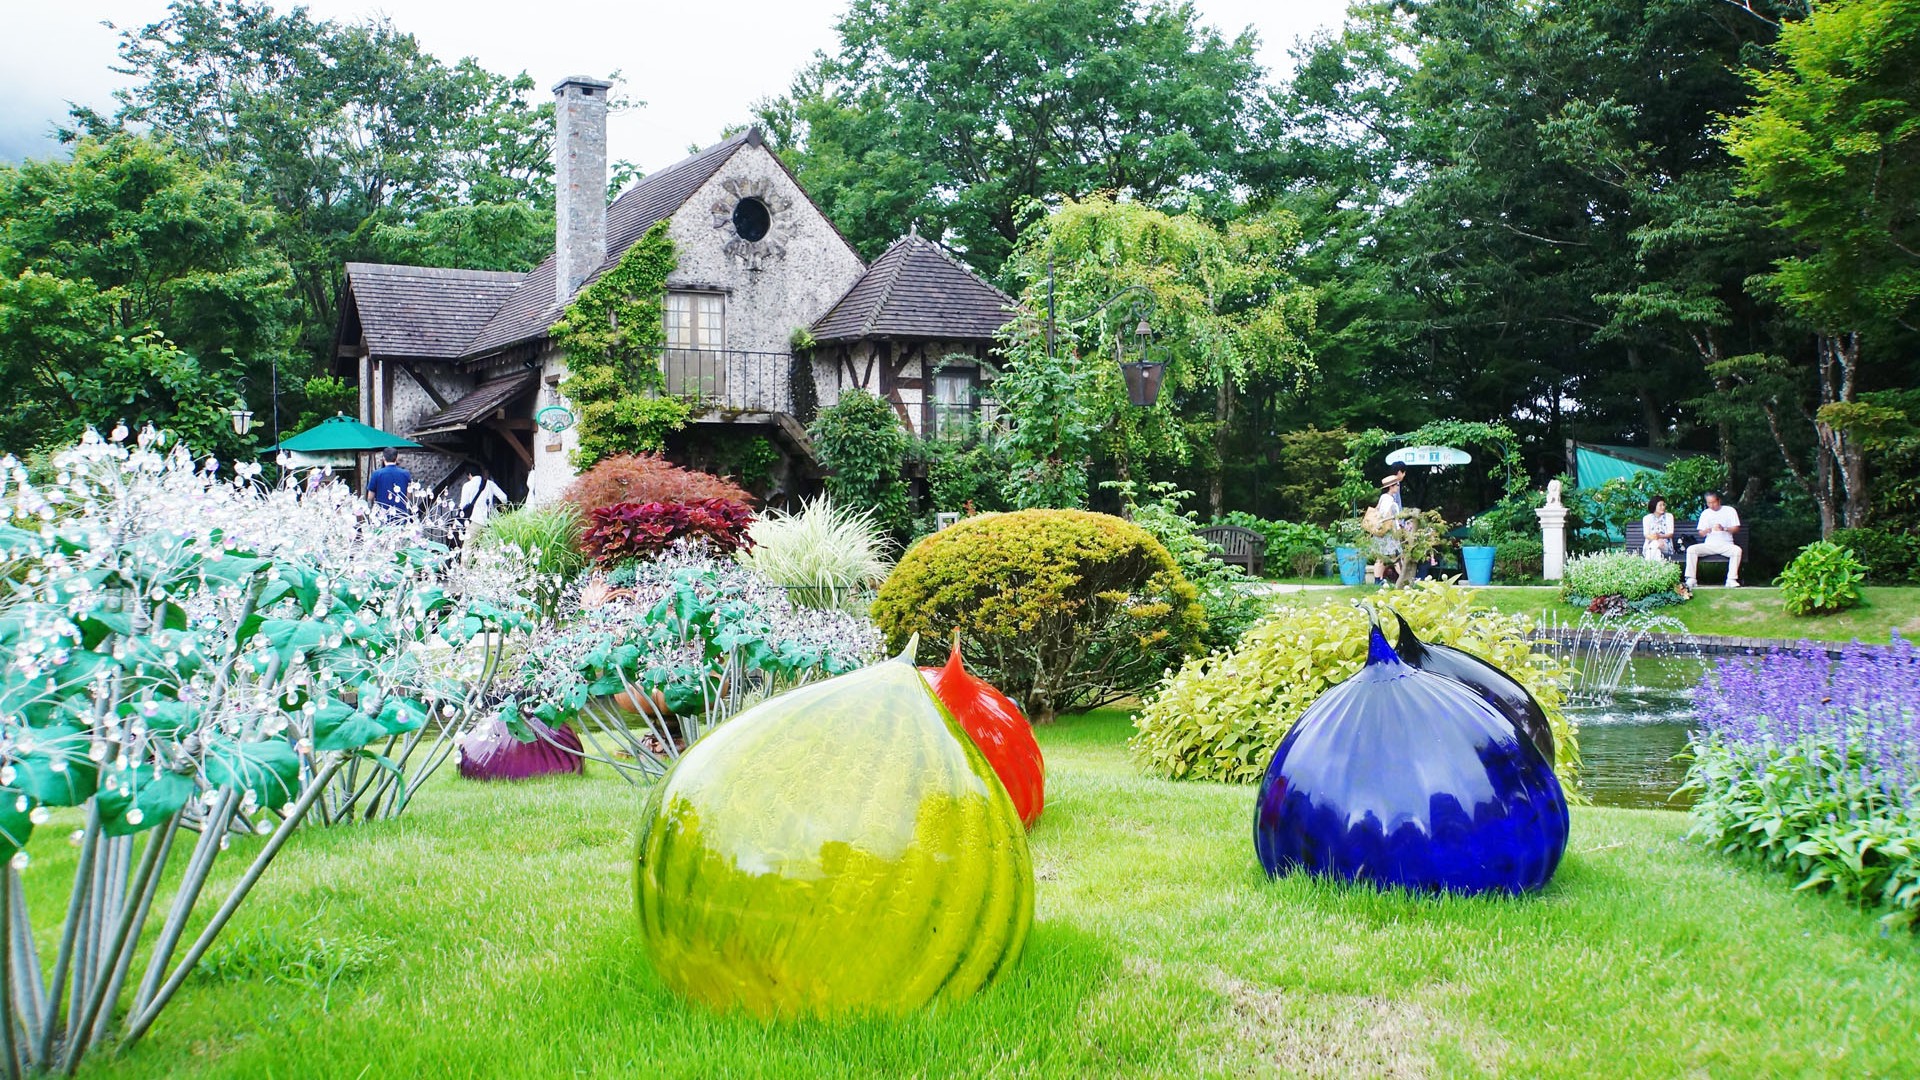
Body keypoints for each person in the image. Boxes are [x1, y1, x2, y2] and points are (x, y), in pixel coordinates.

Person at [1685, 491, 1742, 589]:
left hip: (1726, 544)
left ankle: (1731, 579)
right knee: (1691, 549)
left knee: (1737, 550)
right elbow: (1701, 533)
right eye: (1708, 503)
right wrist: (1707, 530)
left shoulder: (1729, 511)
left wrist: (1724, 528)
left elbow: (1736, 528)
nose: (1711, 505)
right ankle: (1691, 578)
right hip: (1709, 544)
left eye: (1713, 502)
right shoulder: (1705, 513)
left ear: (1719, 501)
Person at [1368, 468, 1412, 586]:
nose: (1398, 487)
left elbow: (1378, 510)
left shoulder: (1383, 498)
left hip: (1382, 533)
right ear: (1391, 486)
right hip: (1389, 534)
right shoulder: (1389, 499)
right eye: (1396, 485)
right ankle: (1405, 580)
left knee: (1382, 557)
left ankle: (1378, 580)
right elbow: (1388, 516)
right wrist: (1395, 529)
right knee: (1397, 557)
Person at [366, 448, 413, 519]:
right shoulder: (405, 474)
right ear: (396, 458)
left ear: (383, 458)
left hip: (382, 515)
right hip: (401, 514)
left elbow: (370, 497)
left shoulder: (376, 474)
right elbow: (408, 496)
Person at [1641, 496, 1675, 562]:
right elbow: (1646, 534)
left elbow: (1671, 534)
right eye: (1660, 505)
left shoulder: (1669, 516)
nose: (1663, 507)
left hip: (1666, 545)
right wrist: (1656, 539)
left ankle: (1647, 566)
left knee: (1654, 545)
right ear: (1654, 506)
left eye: (1663, 505)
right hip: (1650, 544)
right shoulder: (1646, 518)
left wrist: (1660, 537)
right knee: (1656, 552)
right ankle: (1657, 569)